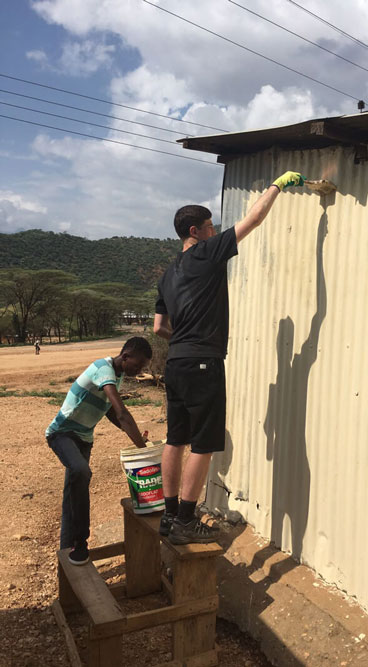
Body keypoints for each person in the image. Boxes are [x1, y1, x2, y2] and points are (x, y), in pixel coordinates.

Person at [154, 171, 304, 545]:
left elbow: (159, 327)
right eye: (208, 226)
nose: (212, 230)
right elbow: (253, 219)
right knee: (203, 443)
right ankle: (187, 520)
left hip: (176, 363)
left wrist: (184, 342)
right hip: (203, 362)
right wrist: (278, 185)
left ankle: (170, 515)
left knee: (175, 439)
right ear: (194, 231)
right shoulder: (206, 252)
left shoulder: (168, 274)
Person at [46, 336, 153, 565]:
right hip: (62, 433)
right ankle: (81, 544)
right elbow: (122, 412)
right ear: (125, 356)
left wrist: (131, 435)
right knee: (82, 472)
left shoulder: (118, 374)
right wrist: (143, 450)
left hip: (84, 439)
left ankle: (67, 550)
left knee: (72, 492)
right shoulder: (103, 369)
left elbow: (110, 412)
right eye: (137, 365)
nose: (138, 371)